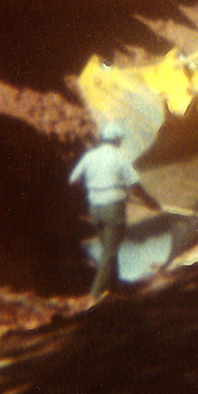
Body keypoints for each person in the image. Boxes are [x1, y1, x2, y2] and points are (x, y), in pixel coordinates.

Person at [68, 122, 162, 299]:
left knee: (108, 248)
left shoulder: (89, 157)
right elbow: (135, 186)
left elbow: (73, 180)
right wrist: (150, 202)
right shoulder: (118, 158)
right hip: (113, 208)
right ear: (117, 141)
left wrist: (94, 188)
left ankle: (116, 288)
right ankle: (96, 293)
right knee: (110, 250)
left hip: (95, 209)